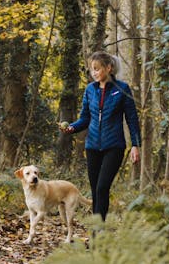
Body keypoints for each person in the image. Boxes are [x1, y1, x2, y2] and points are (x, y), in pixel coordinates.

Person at [60, 51, 141, 221]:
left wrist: (135, 144)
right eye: (92, 69)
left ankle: (99, 231)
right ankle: (97, 234)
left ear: (109, 68)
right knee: (95, 189)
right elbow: (85, 118)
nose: (94, 72)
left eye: (97, 69)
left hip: (114, 146)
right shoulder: (90, 90)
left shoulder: (122, 89)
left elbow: (132, 119)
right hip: (92, 147)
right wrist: (72, 128)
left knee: (102, 188)